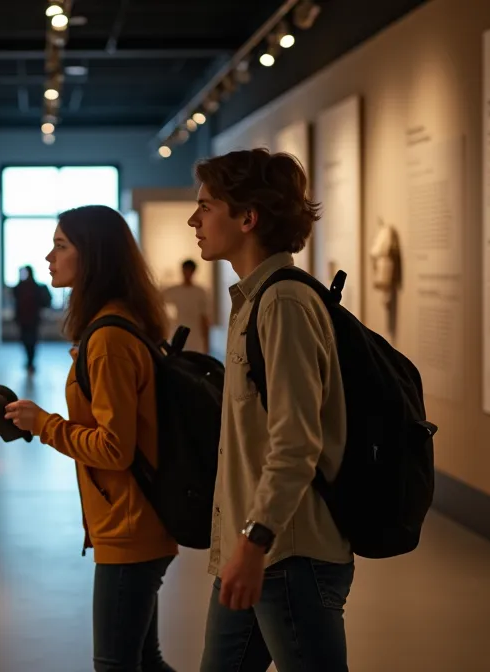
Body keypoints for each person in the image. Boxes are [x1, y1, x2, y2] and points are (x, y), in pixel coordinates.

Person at [188, 148, 352, 672]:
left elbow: (296, 441)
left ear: (247, 217)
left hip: (286, 552)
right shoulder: (254, 302)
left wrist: (255, 542)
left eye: (206, 206)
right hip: (256, 548)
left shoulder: (282, 304)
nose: (194, 219)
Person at [5, 205, 179, 672]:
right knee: (143, 659)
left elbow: (113, 449)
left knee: (116, 664)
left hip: (130, 523)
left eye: (61, 246)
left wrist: (44, 424)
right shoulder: (118, 324)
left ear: (93, 257)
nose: (49, 256)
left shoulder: (108, 340)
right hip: (136, 517)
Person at [161, 259, 214, 354]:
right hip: (180, 333)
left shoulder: (200, 292)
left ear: (193, 271)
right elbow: (159, 298)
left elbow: (204, 318)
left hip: (196, 336)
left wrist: (207, 343)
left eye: (189, 270)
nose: (187, 273)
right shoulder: (175, 290)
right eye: (185, 270)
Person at [12, 264, 51, 373]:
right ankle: (29, 361)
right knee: (28, 340)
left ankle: (30, 361)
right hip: (27, 319)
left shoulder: (32, 287)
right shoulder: (23, 287)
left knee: (30, 341)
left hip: (30, 319)